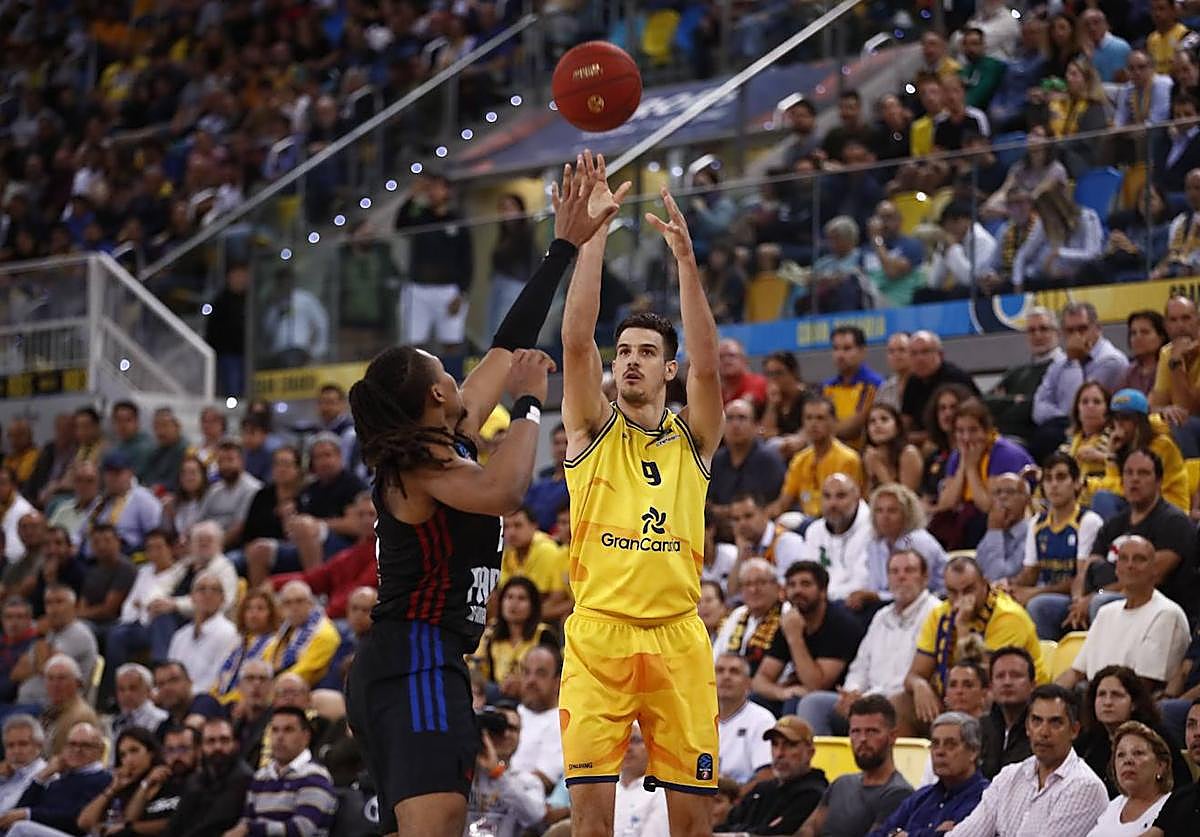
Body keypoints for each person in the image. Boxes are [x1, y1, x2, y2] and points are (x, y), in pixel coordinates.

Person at [556, 156, 725, 836]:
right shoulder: (590, 428)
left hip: (678, 637)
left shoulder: (695, 439)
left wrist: (685, 262)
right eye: (623, 350)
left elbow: (710, 366)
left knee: (693, 826)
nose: (630, 359)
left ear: (668, 368)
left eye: (646, 351)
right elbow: (575, 343)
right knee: (591, 826)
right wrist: (594, 237)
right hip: (599, 636)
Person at [801, 549, 940, 736]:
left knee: (893, 707)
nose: (901, 577)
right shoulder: (881, 616)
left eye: (909, 570)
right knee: (813, 703)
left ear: (925, 578)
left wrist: (870, 699)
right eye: (894, 571)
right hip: (867, 700)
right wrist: (851, 693)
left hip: (903, 702)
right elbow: (860, 667)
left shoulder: (935, 613)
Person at [901, 557, 1045, 736]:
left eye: (968, 590)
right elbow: (914, 674)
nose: (961, 599)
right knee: (901, 704)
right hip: (954, 699)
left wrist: (963, 626)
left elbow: (985, 679)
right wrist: (919, 685)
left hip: (1010, 701)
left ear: (984, 583)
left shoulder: (1010, 617)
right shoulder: (939, 614)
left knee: (971, 695)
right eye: (953, 592)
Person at [948, 685, 1108, 836]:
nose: (1044, 732)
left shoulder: (1086, 786)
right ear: (1027, 727)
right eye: (1037, 721)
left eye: (1055, 722)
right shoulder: (1009, 776)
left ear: (1074, 730)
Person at [1071, 448, 1198, 628]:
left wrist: (1094, 596)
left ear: (1159, 481)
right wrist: (1077, 600)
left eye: (1143, 473)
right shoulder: (1113, 524)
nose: (1134, 479)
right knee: (1043, 607)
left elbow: (1149, 578)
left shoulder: (1174, 522)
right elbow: (1086, 570)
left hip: (1155, 609)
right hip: (1103, 598)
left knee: (1101, 604)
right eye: (1129, 473)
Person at [1059, 536, 1190, 691]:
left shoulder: (1166, 614)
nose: (1130, 565)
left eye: (1139, 559)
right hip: (1094, 695)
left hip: (1127, 700)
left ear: (1154, 569)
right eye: (1123, 559)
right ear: (1116, 568)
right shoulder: (1105, 613)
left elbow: (1142, 686)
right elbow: (1075, 672)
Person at [751, 562, 865, 714]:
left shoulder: (840, 624)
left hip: (838, 699)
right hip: (799, 692)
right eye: (792, 585)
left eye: (805, 584)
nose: (797, 590)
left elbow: (816, 686)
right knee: (755, 700)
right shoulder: (791, 621)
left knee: (796, 704)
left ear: (823, 591)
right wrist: (781, 692)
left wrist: (795, 638)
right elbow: (760, 680)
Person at [1012, 453, 1104, 640]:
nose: (1053, 485)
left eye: (1061, 477)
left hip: (1082, 598)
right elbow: (1030, 573)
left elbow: (1081, 580)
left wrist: (1034, 592)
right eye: (1048, 479)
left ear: (1076, 483)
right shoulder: (1037, 523)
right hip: (1049, 593)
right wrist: (1009, 587)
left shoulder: (1088, 521)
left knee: (1038, 605)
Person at [796, 695, 914, 837]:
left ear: (893, 736)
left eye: (872, 731)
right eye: (855, 731)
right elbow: (809, 829)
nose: (862, 739)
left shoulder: (899, 793)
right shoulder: (841, 783)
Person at [1071, 666, 1191, 798]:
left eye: (1117, 695)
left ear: (1134, 703)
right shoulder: (1088, 741)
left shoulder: (1154, 737)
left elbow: (1180, 786)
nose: (1108, 702)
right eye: (1101, 694)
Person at [1032, 302, 1130, 462]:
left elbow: (1087, 402)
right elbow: (1038, 408)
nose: (1076, 336)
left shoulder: (1111, 361)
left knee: (1049, 436)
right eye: (1070, 331)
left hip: (1101, 431)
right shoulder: (1060, 363)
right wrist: (1062, 416)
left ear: (1097, 328)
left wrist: (1079, 361)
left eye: (1082, 329)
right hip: (1064, 427)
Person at [930, 399, 1033, 551]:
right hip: (971, 518)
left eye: (973, 430)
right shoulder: (958, 454)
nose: (966, 438)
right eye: (960, 431)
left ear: (986, 430)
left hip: (1008, 521)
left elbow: (989, 507)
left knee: (977, 524)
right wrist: (963, 464)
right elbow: (946, 504)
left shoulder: (1004, 454)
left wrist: (971, 469)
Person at [870, 711, 989, 837]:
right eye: (935, 744)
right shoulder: (921, 797)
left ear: (973, 751)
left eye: (950, 744)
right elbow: (878, 834)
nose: (940, 752)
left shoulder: (985, 798)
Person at [230, 706, 337, 837]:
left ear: (306, 736)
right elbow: (246, 820)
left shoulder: (315, 776)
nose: (279, 737)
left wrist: (250, 829)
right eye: (275, 730)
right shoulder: (261, 777)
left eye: (288, 730)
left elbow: (302, 829)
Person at [716, 715, 828, 835]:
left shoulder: (814, 794)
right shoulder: (761, 790)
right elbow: (725, 826)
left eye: (790, 745)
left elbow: (778, 833)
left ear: (810, 752)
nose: (779, 753)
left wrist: (743, 831)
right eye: (774, 744)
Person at [0, 721, 111, 835]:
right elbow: (20, 809)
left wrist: (29, 814)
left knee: (21, 828)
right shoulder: (60, 778)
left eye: (85, 745)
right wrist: (43, 775)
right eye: (72, 744)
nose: (77, 750)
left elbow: (75, 817)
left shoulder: (102, 779)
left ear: (100, 750)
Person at [772, 397, 865, 519]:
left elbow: (849, 505)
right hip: (805, 520)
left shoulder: (849, 459)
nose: (813, 424)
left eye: (820, 418)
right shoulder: (800, 459)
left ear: (833, 422)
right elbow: (783, 503)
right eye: (809, 418)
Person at [473, 577, 560, 699]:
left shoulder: (544, 634)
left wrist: (522, 683)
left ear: (533, 605)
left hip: (533, 697)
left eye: (521, 598)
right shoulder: (490, 633)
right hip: (496, 697)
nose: (514, 604)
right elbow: (474, 669)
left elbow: (554, 677)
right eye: (509, 597)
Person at [465, 706, 546, 837]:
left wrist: (497, 773)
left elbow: (535, 817)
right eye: (499, 728)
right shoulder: (464, 776)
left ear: (520, 736)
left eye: (513, 729)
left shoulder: (526, 781)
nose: (506, 734)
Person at [862, 484, 947, 608]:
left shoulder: (918, 541)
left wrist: (877, 596)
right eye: (879, 511)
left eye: (892, 511)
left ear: (907, 514)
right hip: (891, 601)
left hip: (931, 602)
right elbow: (876, 585)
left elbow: (915, 589)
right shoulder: (876, 543)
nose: (885, 517)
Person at [168, 716, 254, 837]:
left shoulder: (243, 778)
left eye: (224, 740)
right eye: (210, 741)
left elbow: (213, 825)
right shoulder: (195, 780)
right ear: (201, 748)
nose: (218, 747)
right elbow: (175, 824)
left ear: (235, 744)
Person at [1086, 721, 1174, 836]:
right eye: (1121, 755)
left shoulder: (1172, 807)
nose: (1127, 761)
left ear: (1161, 766)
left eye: (1138, 753)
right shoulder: (1114, 805)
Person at [799, 475, 875, 604]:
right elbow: (807, 575)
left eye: (841, 496)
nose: (832, 504)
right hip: (820, 602)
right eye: (827, 496)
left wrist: (820, 596)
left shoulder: (872, 530)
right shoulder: (815, 531)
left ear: (857, 497)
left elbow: (863, 583)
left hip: (855, 605)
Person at [166, 570, 239, 694]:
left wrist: (188, 694)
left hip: (207, 697)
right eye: (201, 589)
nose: (208, 594)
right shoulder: (180, 635)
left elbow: (219, 679)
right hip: (177, 697)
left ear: (223, 599)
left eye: (214, 590)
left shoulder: (229, 633)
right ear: (191, 597)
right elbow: (170, 674)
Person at [707, 399, 786, 513]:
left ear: (756, 425)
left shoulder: (770, 460)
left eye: (742, 418)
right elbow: (708, 503)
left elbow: (776, 504)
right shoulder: (715, 460)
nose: (735, 425)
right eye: (729, 418)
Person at [711, 558, 786, 675]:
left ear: (777, 586)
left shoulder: (787, 613)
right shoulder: (738, 614)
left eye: (760, 582)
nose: (753, 589)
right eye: (747, 584)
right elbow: (716, 658)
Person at [900, 332, 979, 439]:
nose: (919, 358)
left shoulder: (956, 378)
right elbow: (906, 420)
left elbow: (970, 422)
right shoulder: (912, 381)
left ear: (940, 355)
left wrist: (918, 437)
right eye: (914, 353)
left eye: (925, 352)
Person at [499, 506, 570, 623]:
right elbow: (503, 591)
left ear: (534, 526)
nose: (511, 532)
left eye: (518, 525)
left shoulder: (546, 549)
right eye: (506, 527)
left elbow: (547, 597)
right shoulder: (508, 552)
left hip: (548, 616)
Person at [1149, 295, 1200, 457]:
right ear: (1166, 326)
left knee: (1181, 424)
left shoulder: (1173, 356)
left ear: (1198, 320)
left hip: (1193, 422)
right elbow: (1155, 406)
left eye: (1186, 318)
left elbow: (1189, 410)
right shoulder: (1167, 352)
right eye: (1173, 320)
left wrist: (1176, 363)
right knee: (1148, 423)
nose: (1180, 325)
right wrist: (1166, 410)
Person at [714, 653, 776, 786]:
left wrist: (737, 797)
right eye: (719, 671)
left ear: (748, 683)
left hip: (742, 795)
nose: (726, 676)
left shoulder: (762, 720)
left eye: (734, 671)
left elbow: (766, 776)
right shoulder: (697, 720)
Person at [509, 646, 564, 792]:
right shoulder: (509, 714)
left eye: (541, 674)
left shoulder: (562, 724)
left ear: (558, 682)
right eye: (526, 672)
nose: (531, 680)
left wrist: (497, 776)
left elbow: (544, 779)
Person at [823, 326, 883, 447]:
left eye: (847, 348)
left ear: (862, 351)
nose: (840, 355)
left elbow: (854, 427)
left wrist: (822, 431)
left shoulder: (873, 384)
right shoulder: (827, 386)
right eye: (836, 348)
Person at [980, 647, 1035, 779]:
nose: (1007, 682)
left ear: (1033, 685)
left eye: (1016, 675)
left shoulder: (1041, 729)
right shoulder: (980, 728)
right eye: (1000, 676)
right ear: (991, 686)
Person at [974, 473, 1034, 584]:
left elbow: (997, 579)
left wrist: (995, 531)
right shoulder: (993, 530)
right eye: (997, 493)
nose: (1002, 497)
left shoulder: (1032, 534)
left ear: (1027, 500)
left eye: (1010, 492)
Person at [862, 404, 923, 492]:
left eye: (884, 419)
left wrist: (878, 468)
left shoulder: (909, 453)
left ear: (897, 427)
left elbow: (904, 498)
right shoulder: (868, 456)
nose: (878, 424)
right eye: (872, 421)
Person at [522, 423, 569, 532]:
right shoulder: (540, 481)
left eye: (566, 443)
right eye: (557, 443)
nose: (562, 448)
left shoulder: (581, 482)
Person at [0, 715, 47, 812]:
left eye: (23, 744)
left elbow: (7, 811)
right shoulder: (6, 774)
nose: (16, 751)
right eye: (10, 745)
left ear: (38, 746)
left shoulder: (44, 774)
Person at [111, 663, 168, 740]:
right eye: (121, 689)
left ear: (148, 690)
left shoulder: (161, 720)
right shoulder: (116, 722)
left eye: (133, 688)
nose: (127, 694)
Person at [1123, 311, 1169, 396]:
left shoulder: (1169, 368)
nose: (1138, 337)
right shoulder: (1130, 371)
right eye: (1133, 333)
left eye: (1145, 332)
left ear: (1161, 337)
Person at [718, 338, 768, 408]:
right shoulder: (712, 389)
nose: (726, 360)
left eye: (731, 355)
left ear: (744, 359)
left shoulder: (759, 383)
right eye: (720, 357)